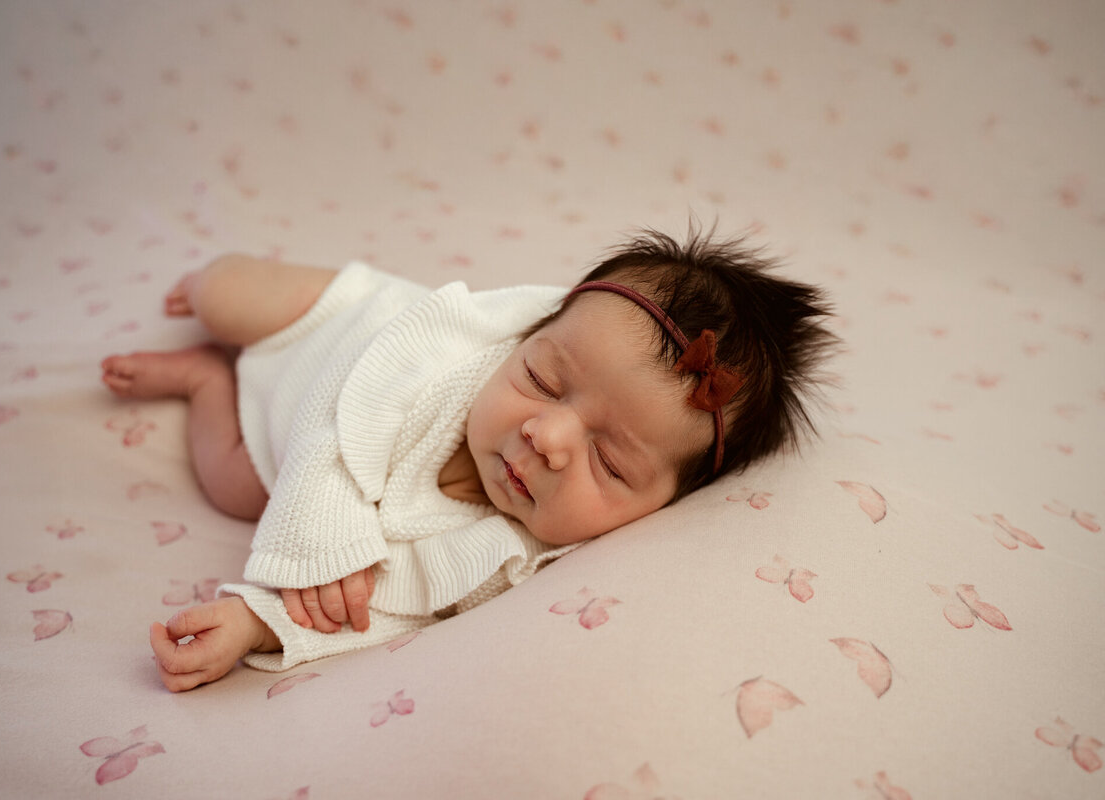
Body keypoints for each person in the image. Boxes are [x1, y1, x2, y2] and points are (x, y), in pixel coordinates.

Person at [101, 226, 836, 692]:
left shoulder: (513, 552)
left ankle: (204, 380)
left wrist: (259, 619)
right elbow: (338, 417)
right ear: (524, 334)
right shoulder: (437, 359)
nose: (547, 438)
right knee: (229, 297)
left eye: (610, 464)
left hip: (272, 438)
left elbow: (392, 602)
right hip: (337, 335)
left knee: (237, 486)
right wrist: (318, 544)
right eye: (542, 380)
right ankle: (216, 286)